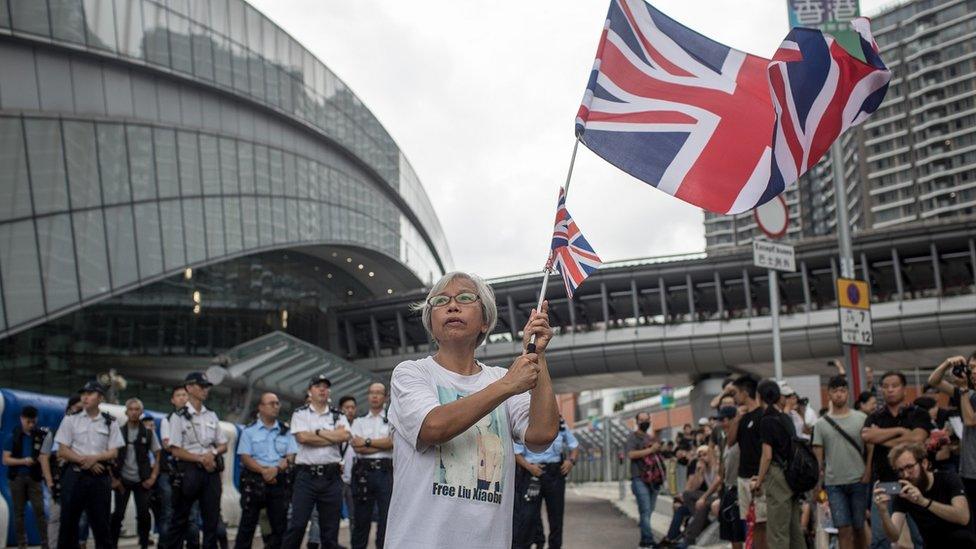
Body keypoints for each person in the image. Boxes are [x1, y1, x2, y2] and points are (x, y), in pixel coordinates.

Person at [384, 271, 559, 549]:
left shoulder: (500, 379)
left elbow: (542, 435)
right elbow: (433, 428)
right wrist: (507, 385)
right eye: (441, 301)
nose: (452, 305)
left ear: (485, 321)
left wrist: (538, 354)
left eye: (465, 298)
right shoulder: (411, 373)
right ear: (431, 321)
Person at [861, 371, 930, 549]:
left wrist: (882, 438)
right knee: (880, 539)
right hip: (886, 483)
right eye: (885, 386)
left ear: (904, 389)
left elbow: (917, 439)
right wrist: (901, 432)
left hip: (914, 483)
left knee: (922, 537)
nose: (890, 390)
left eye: (895, 385)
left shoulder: (917, 413)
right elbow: (867, 435)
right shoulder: (875, 416)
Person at [282, 374, 351, 549]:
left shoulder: (338, 415)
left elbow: (344, 436)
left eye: (325, 386)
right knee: (297, 525)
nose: (322, 389)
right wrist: (331, 436)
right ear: (309, 391)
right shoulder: (300, 414)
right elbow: (303, 438)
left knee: (330, 531)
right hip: (306, 477)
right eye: (318, 386)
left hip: (331, 477)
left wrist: (318, 433)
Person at [54, 381, 124, 549]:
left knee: (101, 525)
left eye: (90, 393)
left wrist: (95, 458)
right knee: (68, 523)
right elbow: (63, 450)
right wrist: (88, 462)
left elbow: (113, 452)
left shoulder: (110, 422)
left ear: (100, 398)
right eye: (83, 393)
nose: (84, 397)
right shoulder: (71, 419)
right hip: (74, 475)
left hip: (100, 478)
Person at [165, 372, 229, 549]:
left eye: (206, 387)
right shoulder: (178, 417)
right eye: (201, 386)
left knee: (212, 521)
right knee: (180, 519)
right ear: (189, 388)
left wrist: (212, 453)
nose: (205, 390)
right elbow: (175, 450)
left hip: (211, 472)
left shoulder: (211, 415)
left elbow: (224, 444)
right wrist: (200, 458)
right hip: (189, 471)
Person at [873, 442, 976, 545]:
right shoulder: (905, 493)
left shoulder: (948, 479)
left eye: (910, 467)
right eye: (900, 470)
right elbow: (894, 536)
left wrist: (923, 502)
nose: (905, 474)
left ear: (924, 463)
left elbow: (963, 517)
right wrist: (884, 512)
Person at [813, 375, 869, 549]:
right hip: (833, 483)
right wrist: (817, 485)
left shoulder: (861, 418)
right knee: (842, 529)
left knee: (859, 527)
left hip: (859, 480)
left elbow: (871, 448)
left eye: (843, 390)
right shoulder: (821, 424)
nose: (839, 394)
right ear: (828, 394)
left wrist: (868, 472)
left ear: (848, 394)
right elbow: (818, 459)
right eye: (835, 391)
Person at [235, 392, 297, 549]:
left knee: (279, 526)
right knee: (247, 525)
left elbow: (291, 456)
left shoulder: (286, 431)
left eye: (277, 403)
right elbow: (245, 457)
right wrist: (264, 472)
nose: (276, 406)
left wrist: (275, 470)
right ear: (260, 407)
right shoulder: (249, 431)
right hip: (254, 481)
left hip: (278, 481)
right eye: (271, 403)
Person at [750, 379, 804, 548]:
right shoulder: (785, 418)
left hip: (777, 475)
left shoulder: (767, 420)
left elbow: (767, 456)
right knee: (794, 529)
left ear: (759, 397)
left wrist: (759, 481)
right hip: (793, 476)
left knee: (777, 531)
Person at [512, 415, 579, 549]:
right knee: (528, 515)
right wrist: (529, 467)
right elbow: (516, 453)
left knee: (556, 516)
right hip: (532, 473)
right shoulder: (525, 420)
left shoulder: (559, 422)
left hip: (554, 474)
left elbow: (574, 445)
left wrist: (571, 461)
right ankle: (531, 543)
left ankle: (555, 546)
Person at [928, 353, 976, 523]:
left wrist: (962, 389)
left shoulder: (965, 393)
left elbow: (971, 420)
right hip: (968, 470)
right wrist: (947, 363)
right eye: (970, 368)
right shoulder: (967, 393)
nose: (973, 372)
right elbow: (933, 381)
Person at [110, 398, 161, 549]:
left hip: (142, 480)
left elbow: (158, 454)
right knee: (118, 514)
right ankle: (111, 544)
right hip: (122, 480)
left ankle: (144, 544)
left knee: (144, 515)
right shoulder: (119, 432)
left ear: (141, 412)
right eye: (131, 409)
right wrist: (114, 479)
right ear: (126, 412)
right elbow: (110, 454)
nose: (133, 412)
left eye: (136, 409)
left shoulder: (148, 433)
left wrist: (153, 477)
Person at [348, 383, 393, 549]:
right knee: (361, 519)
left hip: (385, 471)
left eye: (378, 393)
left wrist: (366, 442)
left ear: (385, 397)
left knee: (386, 519)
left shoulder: (392, 419)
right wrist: (381, 444)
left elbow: (392, 443)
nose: (374, 396)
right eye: (371, 393)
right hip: (363, 472)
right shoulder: (358, 421)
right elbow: (356, 446)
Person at [727, 374, 765, 548]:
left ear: (744, 393)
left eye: (735, 393)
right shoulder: (742, 418)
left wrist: (761, 476)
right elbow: (730, 442)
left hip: (758, 478)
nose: (734, 397)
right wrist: (736, 419)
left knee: (761, 523)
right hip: (742, 478)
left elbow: (767, 451)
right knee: (748, 522)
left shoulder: (762, 416)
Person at [4, 405, 50, 549]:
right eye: (28, 422)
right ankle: (22, 544)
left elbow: (45, 456)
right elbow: (5, 460)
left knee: (40, 511)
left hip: (34, 479)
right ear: (21, 419)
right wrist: (24, 461)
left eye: (33, 422)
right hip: (17, 478)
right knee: (19, 512)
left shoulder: (40, 437)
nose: (31, 425)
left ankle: (45, 542)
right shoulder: (13, 436)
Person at [159, 386, 199, 548]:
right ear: (172, 400)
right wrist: (191, 448)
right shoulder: (167, 420)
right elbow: (169, 446)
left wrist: (183, 448)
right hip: (171, 473)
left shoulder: (199, 419)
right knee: (169, 514)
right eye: (178, 395)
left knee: (192, 516)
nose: (182, 398)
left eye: (185, 395)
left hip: (192, 473)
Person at [40, 396, 82, 549]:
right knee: (56, 517)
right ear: (69, 410)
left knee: (77, 517)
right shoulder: (56, 432)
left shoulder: (85, 433)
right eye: (77, 409)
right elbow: (44, 457)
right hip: (59, 481)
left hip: (79, 481)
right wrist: (50, 482)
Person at [625, 412, 662, 548]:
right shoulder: (632, 437)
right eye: (642, 420)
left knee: (648, 510)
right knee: (645, 510)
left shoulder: (650, 437)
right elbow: (631, 454)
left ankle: (644, 540)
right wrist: (651, 450)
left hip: (654, 479)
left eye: (647, 419)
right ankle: (649, 541)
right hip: (639, 478)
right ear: (637, 422)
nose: (645, 422)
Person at [713, 406, 745, 549]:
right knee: (731, 534)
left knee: (740, 532)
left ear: (733, 419)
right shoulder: (725, 440)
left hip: (740, 489)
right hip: (728, 489)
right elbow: (722, 470)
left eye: (723, 420)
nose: (721, 423)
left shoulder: (742, 437)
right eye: (719, 420)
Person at [338, 394, 358, 535]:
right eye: (347, 407)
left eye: (352, 407)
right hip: (336, 478)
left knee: (354, 515)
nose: (350, 410)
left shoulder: (360, 425)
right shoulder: (336, 425)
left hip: (354, 478)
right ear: (341, 409)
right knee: (330, 514)